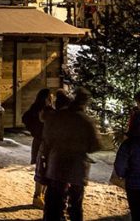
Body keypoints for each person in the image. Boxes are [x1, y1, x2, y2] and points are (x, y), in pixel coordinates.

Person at [41, 87, 101, 221]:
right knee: (76, 204)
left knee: (53, 203)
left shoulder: (58, 116)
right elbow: (95, 145)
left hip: (57, 164)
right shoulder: (86, 121)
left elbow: (47, 137)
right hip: (77, 167)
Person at [22, 88, 55, 208]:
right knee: (42, 169)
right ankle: (37, 196)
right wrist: (36, 130)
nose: (52, 99)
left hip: (42, 142)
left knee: (46, 169)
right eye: (50, 97)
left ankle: (41, 195)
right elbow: (26, 118)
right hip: (43, 143)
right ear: (46, 98)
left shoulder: (38, 109)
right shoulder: (42, 110)